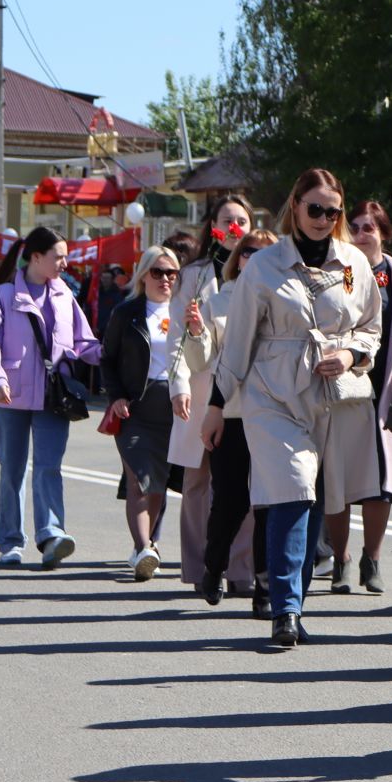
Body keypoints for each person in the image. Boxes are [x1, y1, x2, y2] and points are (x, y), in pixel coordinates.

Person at [214, 168, 383, 648]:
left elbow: (372, 326)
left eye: (333, 211)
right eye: (315, 209)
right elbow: (238, 345)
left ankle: (295, 599)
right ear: (295, 206)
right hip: (272, 394)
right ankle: (284, 609)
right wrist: (215, 406)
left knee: (314, 498)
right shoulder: (264, 266)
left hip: (331, 397)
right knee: (292, 489)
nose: (324, 219)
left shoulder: (354, 264)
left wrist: (350, 354)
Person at [0, 227, 102, 568]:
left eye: (66, 256)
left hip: (53, 396)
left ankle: (51, 535)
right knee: (12, 470)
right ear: (36, 257)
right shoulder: (3, 294)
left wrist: (116, 354)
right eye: (58, 256)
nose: (65, 263)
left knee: (49, 468)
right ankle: (10, 542)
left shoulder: (64, 295)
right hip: (9, 396)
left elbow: (84, 342)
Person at [325, 201, 392, 595]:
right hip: (347, 387)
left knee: (382, 482)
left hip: (389, 387)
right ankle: (341, 559)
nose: (362, 233)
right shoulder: (339, 270)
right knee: (340, 477)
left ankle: (372, 559)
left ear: (384, 234)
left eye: (370, 227)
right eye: (355, 226)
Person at [163, 196, 252, 596]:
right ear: (212, 224)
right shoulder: (195, 275)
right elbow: (176, 338)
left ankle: (240, 568)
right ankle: (200, 566)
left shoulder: (260, 274)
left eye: (242, 221)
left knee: (243, 485)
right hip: (201, 390)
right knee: (198, 484)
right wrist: (178, 384)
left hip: (241, 396)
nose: (234, 228)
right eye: (227, 220)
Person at [189, 227, 275, 611]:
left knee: (269, 505)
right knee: (230, 502)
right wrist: (195, 332)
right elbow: (201, 359)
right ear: (238, 258)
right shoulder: (220, 299)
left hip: (275, 414)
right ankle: (213, 568)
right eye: (247, 251)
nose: (253, 258)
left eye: (263, 252)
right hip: (231, 413)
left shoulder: (285, 297)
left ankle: (265, 588)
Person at [102, 246, 183, 580]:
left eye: (171, 273)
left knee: (157, 484)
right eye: (157, 272)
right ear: (144, 275)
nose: (165, 279)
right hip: (136, 405)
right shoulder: (127, 312)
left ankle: (143, 547)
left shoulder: (185, 310)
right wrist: (117, 395)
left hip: (175, 405)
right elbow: (107, 359)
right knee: (137, 477)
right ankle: (145, 546)